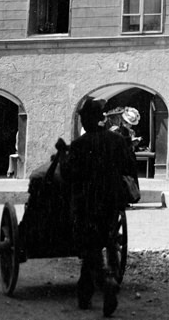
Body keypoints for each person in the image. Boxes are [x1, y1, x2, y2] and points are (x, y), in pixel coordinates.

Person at [66, 97, 137, 316]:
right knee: (108, 240)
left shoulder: (79, 145)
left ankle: (106, 283)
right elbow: (129, 167)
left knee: (91, 247)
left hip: (87, 202)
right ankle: (89, 289)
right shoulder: (117, 141)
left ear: (87, 120)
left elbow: (69, 175)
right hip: (111, 201)